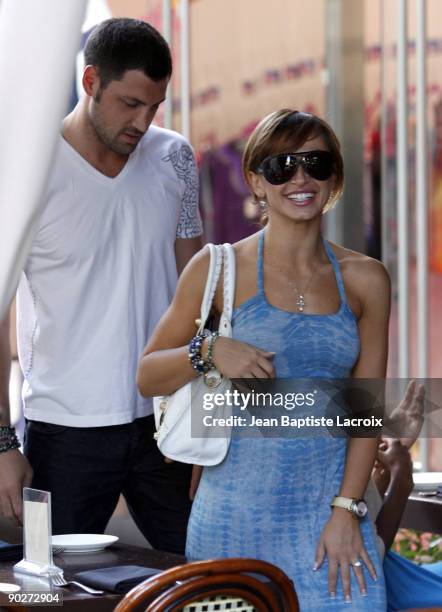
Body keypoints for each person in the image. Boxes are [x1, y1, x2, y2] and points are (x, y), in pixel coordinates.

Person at [137, 109, 389, 609]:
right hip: (233, 518)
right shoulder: (215, 266)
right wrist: (209, 350)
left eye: (316, 163)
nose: (300, 178)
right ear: (256, 180)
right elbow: (147, 375)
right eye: (282, 166)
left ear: (334, 177)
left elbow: (366, 410)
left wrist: (345, 512)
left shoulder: (367, 279)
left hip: (331, 519)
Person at [0, 18, 203, 554]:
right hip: (64, 430)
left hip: (166, 422)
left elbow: (197, 291)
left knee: (203, 573)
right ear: (90, 81)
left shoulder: (174, 157)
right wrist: (2, 443)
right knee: (47, 589)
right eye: (130, 102)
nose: (143, 120)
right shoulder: (26, 173)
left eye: (155, 106)